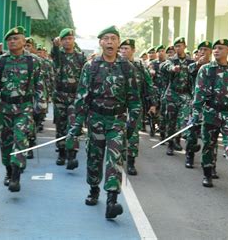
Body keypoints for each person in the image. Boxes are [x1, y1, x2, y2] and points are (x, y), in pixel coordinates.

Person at [65, 26, 140, 219]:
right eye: (106, 39)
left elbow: (134, 99)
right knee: (94, 157)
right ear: (100, 42)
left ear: (118, 43)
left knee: (114, 159)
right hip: (96, 120)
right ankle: (93, 188)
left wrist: (132, 125)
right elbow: (82, 98)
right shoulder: (91, 66)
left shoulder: (127, 67)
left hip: (117, 121)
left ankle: (112, 200)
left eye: (113, 39)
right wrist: (76, 124)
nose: (109, 42)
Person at [0, 26, 46, 192]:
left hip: (25, 107)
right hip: (5, 108)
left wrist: (41, 105)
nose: (12, 42)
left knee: (20, 137)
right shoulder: (0, 61)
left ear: (24, 42)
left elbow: (39, 85)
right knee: (5, 141)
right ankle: (8, 170)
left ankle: (16, 174)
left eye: (16, 39)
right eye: (9, 39)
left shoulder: (33, 61)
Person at [191, 39, 228, 188]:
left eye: (221, 48)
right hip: (211, 112)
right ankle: (207, 174)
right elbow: (199, 94)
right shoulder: (205, 69)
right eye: (215, 48)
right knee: (209, 146)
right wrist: (196, 114)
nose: (216, 50)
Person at [119, 39, 157, 175]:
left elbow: (148, 85)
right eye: (121, 48)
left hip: (135, 104)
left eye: (126, 48)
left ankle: (131, 162)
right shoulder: (115, 64)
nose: (123, 51)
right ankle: (120, 154)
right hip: (118, 105)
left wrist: (152, 104)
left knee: (133, 133)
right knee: (118, 132)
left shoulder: (140, 66)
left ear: (133, 50)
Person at [51, 28, 86, 166]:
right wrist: (55, 45)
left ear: (74, 40)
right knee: (60, 125)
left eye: (70, 38)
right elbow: (54, 53)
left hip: (74, 97)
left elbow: (85, 77)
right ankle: (61, 153)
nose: (67, 41)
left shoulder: (80, 57)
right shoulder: (58, 55)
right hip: (59, 96)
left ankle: (72, 154)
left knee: (73, 124)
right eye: (64, 39)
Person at [160, 37, 194, 155]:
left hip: (185, 94)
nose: (178, 48)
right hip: (172, 94)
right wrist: (172, 69)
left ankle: (178, 140)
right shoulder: (171, 60)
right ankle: (170, 144)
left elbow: (195, 72)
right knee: (171, 120)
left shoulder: (190, 61)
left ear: (185, 46)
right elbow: (164, 66)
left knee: (183, 118)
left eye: (180, 46)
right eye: (176, 46)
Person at [185, 40, 212, 170]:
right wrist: (197, 64)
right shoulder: (193, 66)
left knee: (211, 135)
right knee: (192, 129)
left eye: (206, 50)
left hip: (212, 105)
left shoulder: (215, 66)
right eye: (201, 50)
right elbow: (188, 71)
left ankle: (211, 165)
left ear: (211, 52)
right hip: (196, 103)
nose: (203, 52)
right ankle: (189, 154)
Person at [24, 37, 46, 158]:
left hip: (32, 97)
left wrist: (42, 99)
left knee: (31, 122)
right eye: (25, 45)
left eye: (29, 46)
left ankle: (30, 144)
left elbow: (41, 81)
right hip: (21, 99)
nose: (27, 48)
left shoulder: (36, 60)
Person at [149, 45, 167, 141]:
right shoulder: (153, 63)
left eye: (162, 51)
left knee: (163, 112)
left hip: (165, 90)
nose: (161, 53)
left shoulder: (168, 63)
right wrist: (151, 71)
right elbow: (150, 70)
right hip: (155, 90)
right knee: (154, 111)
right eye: (159, 51)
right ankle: (152, 126)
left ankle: (162, 132)